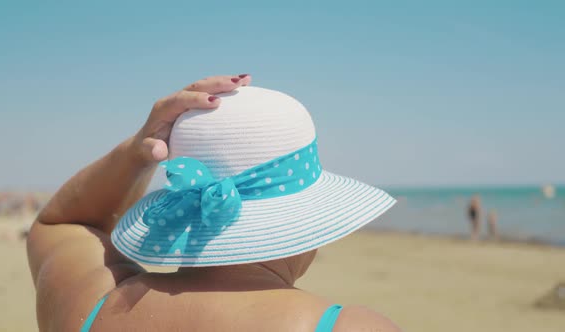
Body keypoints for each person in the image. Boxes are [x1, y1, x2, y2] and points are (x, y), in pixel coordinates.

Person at [26, 74, 400, 332]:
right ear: (307, 220)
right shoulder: (349, 326)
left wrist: (139, 150)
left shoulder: (89, 303)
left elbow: (63, 223)